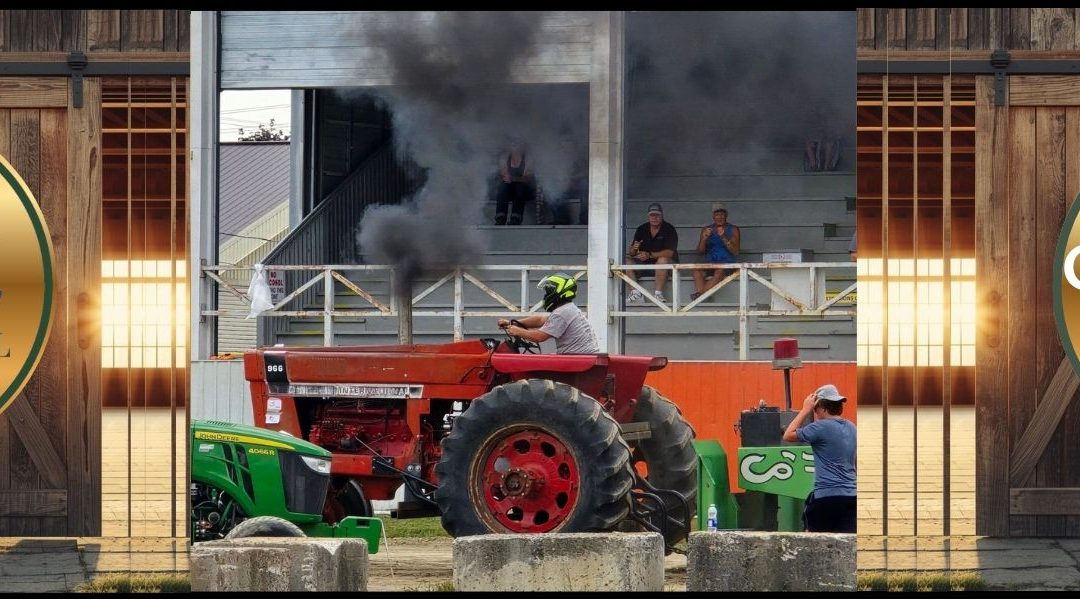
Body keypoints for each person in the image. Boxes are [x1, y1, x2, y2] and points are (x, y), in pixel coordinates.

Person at [782, 384, 856, 533]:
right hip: (852, 496)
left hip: (825, 497)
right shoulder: (852, 427)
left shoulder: (819, 427)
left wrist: (805, 410)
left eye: (815, 408)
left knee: (814, 542)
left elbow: (788, 435)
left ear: (820, 407)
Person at [497, 273, 599, 354]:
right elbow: (540, 320)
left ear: (557, 293)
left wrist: (518, 331)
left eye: (548, 292)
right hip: (582, 357)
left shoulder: (562, 313)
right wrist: (513, 323)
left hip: (578, 361)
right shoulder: (567, 309)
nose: (546, 296)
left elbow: (539, 337)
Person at [625, 203, 679, 304]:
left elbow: (670, 252)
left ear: (662, 215)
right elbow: (632, 253)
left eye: (657, 215)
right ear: (648, 216)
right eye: (652, 215)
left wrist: (649, 255)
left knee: (662, 259)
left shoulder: (669, 229)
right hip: (645, 265)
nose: (654, 218)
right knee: (626, 260)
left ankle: (658, 293)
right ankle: (635, 292)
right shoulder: (642, 229)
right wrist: (633, 249)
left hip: (666, 267)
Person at [691, 206, 740, 301]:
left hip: (727, 264)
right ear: (713, 216)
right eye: (717, 214)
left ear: (726, 216)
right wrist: (704, 238)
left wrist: (723, 237)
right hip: (710, 263)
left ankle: (700, 296)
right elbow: (700, 252)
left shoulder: (733, 229)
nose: (719, 217)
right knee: (696, 270)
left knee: (719, 271)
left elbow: (736, 251)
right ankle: (704, 296)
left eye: (722, 214)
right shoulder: (707, 229)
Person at [495, 138, 536, 226]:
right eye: (512, 142)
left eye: (517, 141)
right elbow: (504, 175)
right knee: (503, 186)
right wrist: (507, 177)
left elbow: (526, 178)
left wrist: (513, 179)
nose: (514, 144)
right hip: (509, 190)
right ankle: (500, 217)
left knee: (521, 187)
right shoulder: (505, 157)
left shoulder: (528, 157)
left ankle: (516, 217)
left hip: (526, 190)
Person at [549, 138, 589, 225]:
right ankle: (561, 218)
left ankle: (584, 219)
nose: (567, 149)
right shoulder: (559, 161)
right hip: (564, 188)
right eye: (564, 147)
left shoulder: (581, 159)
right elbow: (556, 176)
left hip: (578, 187)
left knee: (584, 184)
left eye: (569, 146)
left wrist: (573, 178)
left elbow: (588, 171)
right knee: (550, 188)